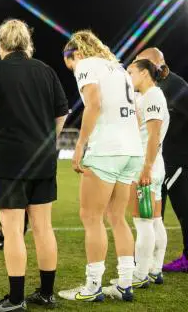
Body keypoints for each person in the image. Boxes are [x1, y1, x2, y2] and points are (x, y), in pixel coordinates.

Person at [0, 19, 67, 311]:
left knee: (13, 230)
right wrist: (46, 138)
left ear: (0, 44)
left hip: (10, 162)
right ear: (27, 43)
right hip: (43, 159)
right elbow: (61, 113)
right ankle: (47, 294)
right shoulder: (46, 70)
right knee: (44, 228)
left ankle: (16, 299)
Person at [58, 30, 142, 302]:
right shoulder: (118, 69)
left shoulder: (86, 64)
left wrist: (80, 145)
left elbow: (93, 103)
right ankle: (125, 283)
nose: (72, 69)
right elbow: (136, 113)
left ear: (77, 54)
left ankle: (93, 286)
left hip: (107, 149)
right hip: (131, 149)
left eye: (69, 63)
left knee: (91, 217)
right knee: (117, 217)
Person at [108, 59, 168, 288]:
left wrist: (146, 168)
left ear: (144, 73)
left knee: (142, 222)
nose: (129, 77)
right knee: (154, 220)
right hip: (154, 164)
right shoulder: (148, 96)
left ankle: (140, 274)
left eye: (131, 72)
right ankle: (154, 269)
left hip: (146, 165)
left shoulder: (152, 96)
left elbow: (153, 136)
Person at [135, 48, 188, 273]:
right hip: (158, 161)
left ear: (158, 65)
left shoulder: (178, 87)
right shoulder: (152, 90)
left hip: (177, 162)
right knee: (154, 216)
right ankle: (151, 264)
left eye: (142, 63)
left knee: (184, 211)